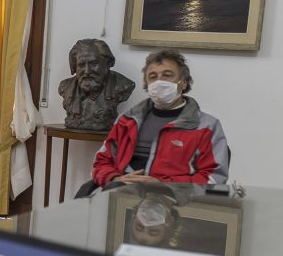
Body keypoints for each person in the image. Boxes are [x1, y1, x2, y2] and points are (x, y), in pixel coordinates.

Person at [91, 49, 229, 188]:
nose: (159, 81)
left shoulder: (207, 126)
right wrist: (115, 179)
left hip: (178, 203)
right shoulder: (127, 121)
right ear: (147, 84)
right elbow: (101, 163)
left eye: (167, 75)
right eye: (152, 76)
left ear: (184, 83)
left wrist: (164, 186)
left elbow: (214, 178)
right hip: (122, 195)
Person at [57, 38, 135, 131]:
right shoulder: (65, 87)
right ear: (75, 67)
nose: (87, 71)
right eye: (81, 65)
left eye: (93, 64)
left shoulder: (124, 85)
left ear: (107, 64)